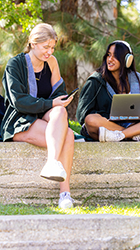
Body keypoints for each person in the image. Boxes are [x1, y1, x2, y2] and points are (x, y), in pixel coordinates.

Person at [0, 23, 75, 209]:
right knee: (69, 136)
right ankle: (64, 194)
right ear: (33, 43)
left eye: (52, 48)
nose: (49, 52)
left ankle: (53, 165)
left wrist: (62, 99)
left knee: (60, 111)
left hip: (44, 118)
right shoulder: (15, 65)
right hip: (19, 121)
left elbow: (58, 93)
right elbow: (19, 102)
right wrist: (51, 103)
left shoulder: (52, 62)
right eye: (45, 47)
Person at [76, 40, 140, 142]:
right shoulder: (96, 80)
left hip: (132, 124)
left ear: (127, 60)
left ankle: (122, 135)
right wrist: (105, 118)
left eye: (115, 56)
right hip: (107, 126)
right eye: (108, 55)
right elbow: (82, 114)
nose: (110, 59)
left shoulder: (138, 79)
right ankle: (135, 135)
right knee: (91, 120)